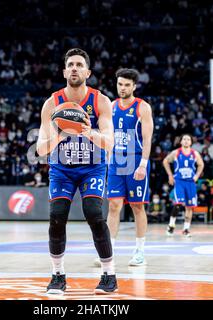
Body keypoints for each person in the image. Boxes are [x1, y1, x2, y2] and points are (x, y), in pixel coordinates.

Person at [36, 48, 116, 294]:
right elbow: (40, 149)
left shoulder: (100, 101)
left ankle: (109, 275)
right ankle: (57, 275)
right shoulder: (52, 103)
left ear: (88, 72)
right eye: (70, 64)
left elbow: (110, 142)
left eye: (79, 65)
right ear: (64, 71)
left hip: (92, 167)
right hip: (62, 169)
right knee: (57, 216)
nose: (74, 68)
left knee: (94, 213)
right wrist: (58, 137)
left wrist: (88, 132)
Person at [104, 68, 154, 266]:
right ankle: (108, 251)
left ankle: (140, 251)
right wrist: (107, 160)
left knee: (137, 206)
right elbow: (108, 135)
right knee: (113, 205)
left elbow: (148, 139)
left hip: (135, 160)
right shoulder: (111, 106)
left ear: (134, 86)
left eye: (126, 85)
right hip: (115, 161)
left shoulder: (143, 107)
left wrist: (143, 164)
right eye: (120, 84)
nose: (122, 88)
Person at [162, 134, 204, 237]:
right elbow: (165, 161)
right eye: (184, 139)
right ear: (181, 142)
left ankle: (186, 228)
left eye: (188, 139)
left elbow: (201, 164)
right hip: (180, 181)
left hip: (190, 182)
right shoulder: (176, 152)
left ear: (191, 142)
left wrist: (197, 176)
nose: (186, 141)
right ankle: (171, 225)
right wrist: (170, 175)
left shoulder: (195, 154)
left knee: (190, 207)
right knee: (178, 203)